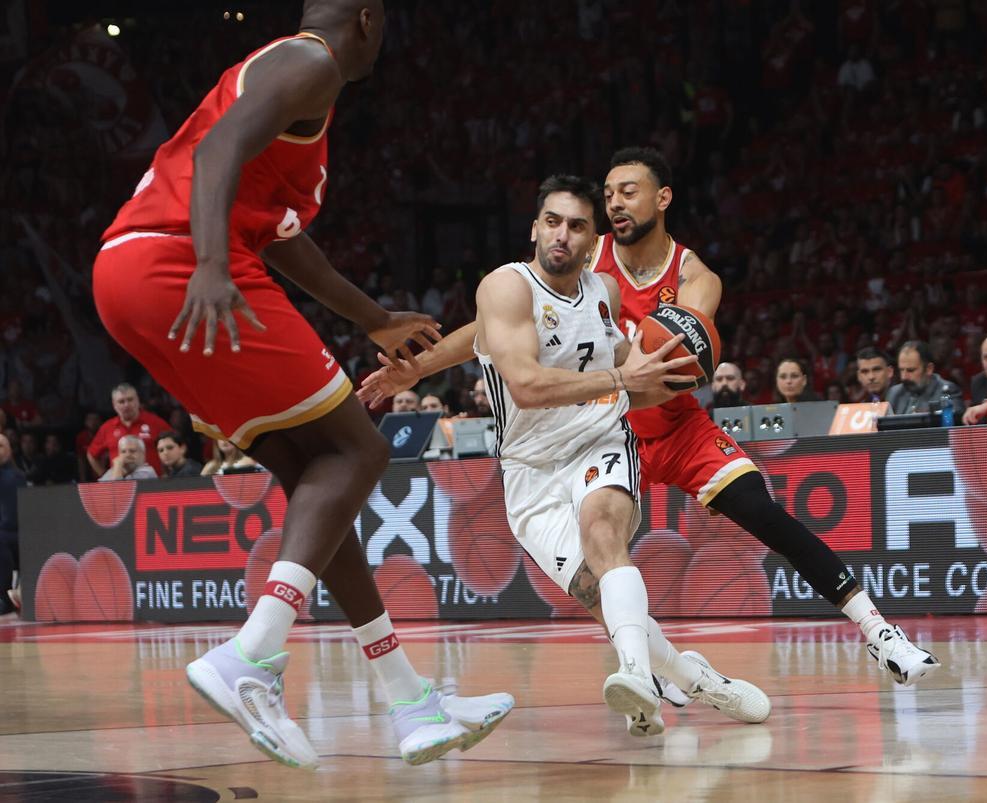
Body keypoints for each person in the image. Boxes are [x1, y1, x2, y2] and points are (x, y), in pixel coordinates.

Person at [89, 0, 509, 768]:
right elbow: (217, 152)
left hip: (130, 272)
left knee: (321, 479)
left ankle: (409, 699)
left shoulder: (295, 87)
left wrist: (374, 317)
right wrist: (212, 265)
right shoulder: (309, 60)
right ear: (371, 20)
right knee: (359, 451)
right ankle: (253, 653)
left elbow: (284, 241)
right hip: (180, 262)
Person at [360, 150, 940, 695]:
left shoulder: (697, 279)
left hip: (677, 428)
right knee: (599, 565)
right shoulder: (587, 255)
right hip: (604, 426)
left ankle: (880, 633)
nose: (614, 203)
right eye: (608, 193)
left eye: (628, 192)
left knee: (763, 511)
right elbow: (498, 322)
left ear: (662, 199)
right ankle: (663, 669)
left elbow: (680, 359)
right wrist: (419, 368)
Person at [470, 174, 769, 735]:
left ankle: (636, 673)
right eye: (553, 222)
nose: (564, 234)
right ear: (535, 228)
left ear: (592, 241)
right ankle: (696, 677)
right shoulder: (506, 288)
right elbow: (527, 387)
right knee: (599, 597)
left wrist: (681, 376)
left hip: (599, 437)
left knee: (603, 532)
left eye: (578, 226)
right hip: (528, 470)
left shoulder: (603, 292)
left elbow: (640, 377)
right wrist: (620, 377)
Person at [86, 384, 170, 477]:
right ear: (114, 405)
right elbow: (91, 454)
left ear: (138, 400)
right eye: (121, 401)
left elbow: (173, 447)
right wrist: (104, 475)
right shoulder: (107, 427)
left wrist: (166, 475)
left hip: (153, 484)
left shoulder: (156, 422)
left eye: (130, 400)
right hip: (120, 487)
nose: (126, 405)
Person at [886, 340, 964, 416]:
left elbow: (953, 424)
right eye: (901, 370)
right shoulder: (894, 393)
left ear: (929, 369)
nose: (904, 377)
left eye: (911, 370)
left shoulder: (947, 392)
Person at [0, 434, 21, 618]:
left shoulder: (19, 477)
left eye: (1, 446)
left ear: (9, 450)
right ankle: (4, 599)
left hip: (22, 533)